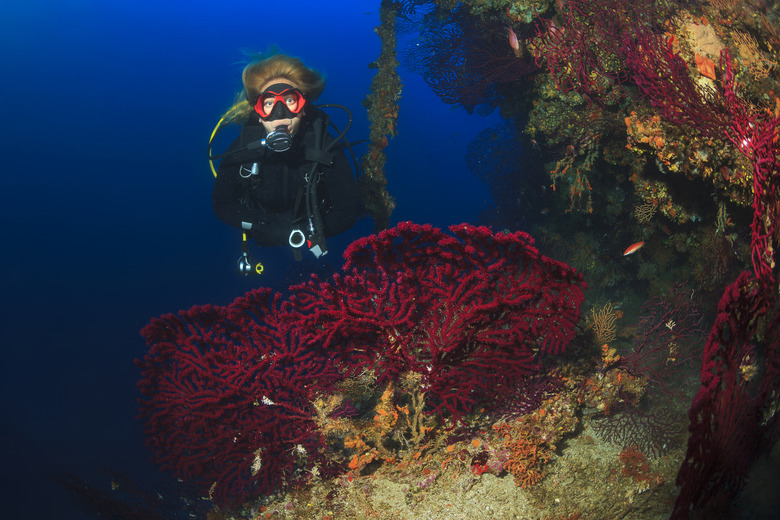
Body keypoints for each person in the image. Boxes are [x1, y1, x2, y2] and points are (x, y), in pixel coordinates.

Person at [211, 54, 360, 261]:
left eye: (290, 101)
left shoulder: (325, 146)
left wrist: (301, 232)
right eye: (269, 103)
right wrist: (261, 224)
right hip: (262, 227)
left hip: (309, 230)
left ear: (304, 109)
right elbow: (222, 204)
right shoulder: (243, 149)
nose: (280, 114)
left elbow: (347, 210)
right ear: (259, 112)